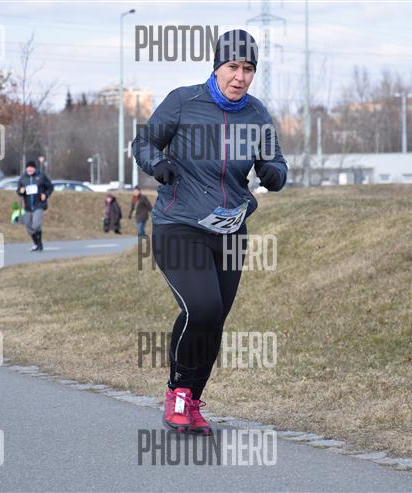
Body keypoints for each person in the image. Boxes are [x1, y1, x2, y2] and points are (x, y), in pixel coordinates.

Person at [132, 29, 288, 434]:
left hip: (230, 230)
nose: (240, 76)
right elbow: (144, 142)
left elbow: (276, 163)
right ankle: (177, 394)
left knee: (215, 318)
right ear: (217, 66)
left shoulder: (257, 115)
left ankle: (194, 400)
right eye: (232, 66)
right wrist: (157, 165)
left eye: (248, 69)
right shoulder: (184, 101)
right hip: (179, 223)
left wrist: (273, 173)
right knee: (200, 308)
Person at [17, 160, 53, 251]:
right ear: (26, 169)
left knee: (36, 225)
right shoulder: (23, 178)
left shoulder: (41, 176)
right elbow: (18, 190)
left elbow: (50, 187)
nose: (29, 169)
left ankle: (39, 244)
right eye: (28, 168)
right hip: (28, 206)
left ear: (35, 168)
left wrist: (46, 195)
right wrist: (20, 191)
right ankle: (37, 244)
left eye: (31, 168)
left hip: (39, 205)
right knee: (28, 226)